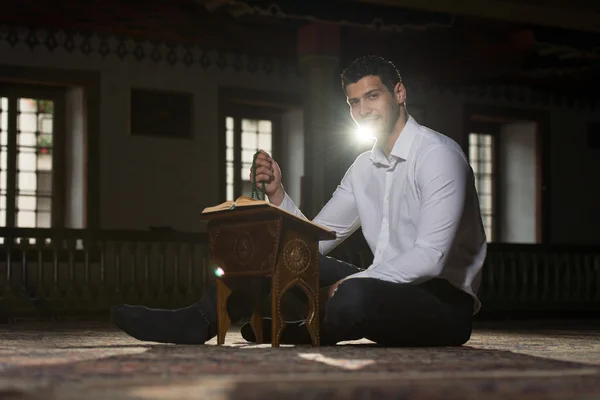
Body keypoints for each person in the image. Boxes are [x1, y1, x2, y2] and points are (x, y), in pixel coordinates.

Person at [112, 55, 487, 346]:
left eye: (372, 96)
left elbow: (430, 257)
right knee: (279, 254)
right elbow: (313, 240)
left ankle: (295, 331)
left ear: (399, 93)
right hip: (383, 286)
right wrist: (278, 193)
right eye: (354, 102)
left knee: (354, 295)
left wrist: (345, 287)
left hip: (442, 306)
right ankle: (198, 320)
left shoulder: (437, 155)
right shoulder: (363, 167)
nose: (362, 111)